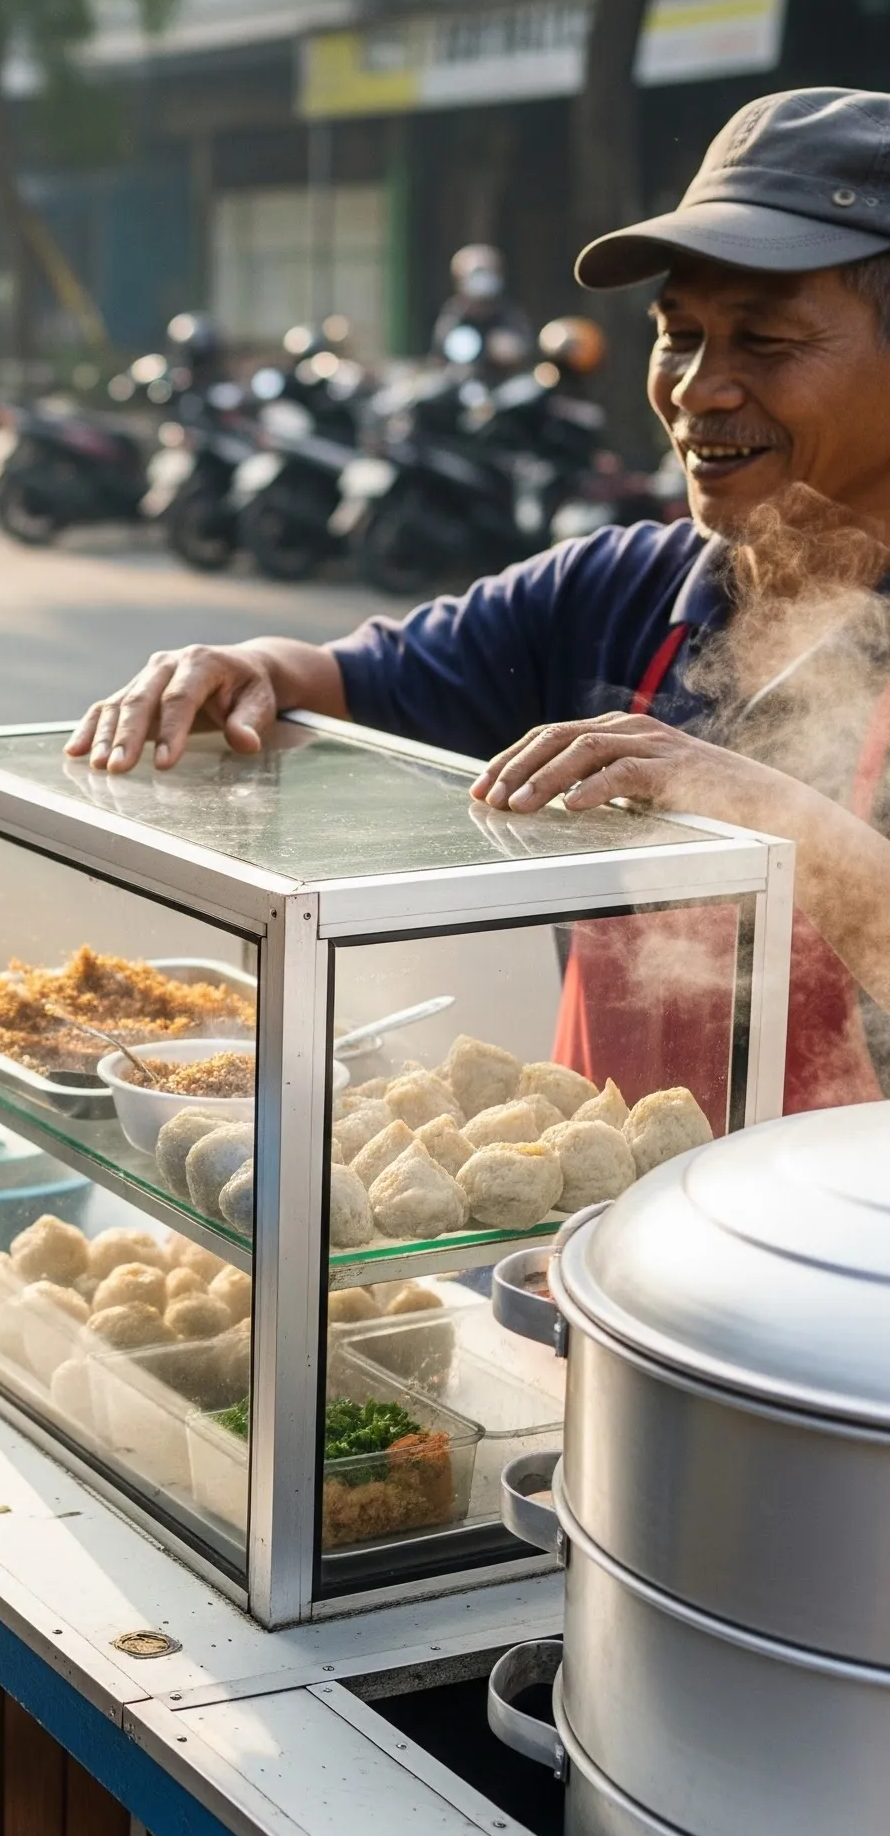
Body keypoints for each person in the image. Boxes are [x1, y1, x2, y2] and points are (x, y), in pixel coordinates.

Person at [72, 87, 890, 1114]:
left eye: (763, 342)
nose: (694, 387)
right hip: (601, 1199)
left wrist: (768, 813)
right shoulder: (614, 589)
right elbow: (347, 683)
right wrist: (242, 669)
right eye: (677, 334)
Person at [430, 242, 533, 369]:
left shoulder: (509, 314)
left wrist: (511, 350)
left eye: (488, 272)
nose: (483, 280)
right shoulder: (453, 315)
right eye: (477, 274)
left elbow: (525, 348)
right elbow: (440, 356)